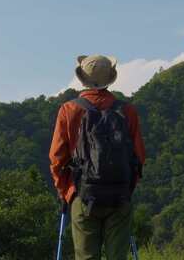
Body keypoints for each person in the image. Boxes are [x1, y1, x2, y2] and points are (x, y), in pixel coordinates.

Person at [49, 55, 146, 260]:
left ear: (82, 78)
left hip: (82, 194)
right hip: (120, 195)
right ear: (110, 78)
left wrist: (65, 191)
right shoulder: (127, 111)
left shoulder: (69, 110)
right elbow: (139, 157)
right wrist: (126, 187)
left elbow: (57, 159)